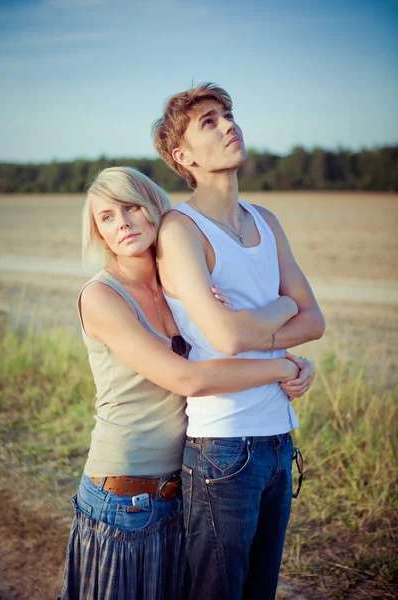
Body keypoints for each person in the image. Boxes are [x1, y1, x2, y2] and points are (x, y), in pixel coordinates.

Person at [59, 166, 312, 600]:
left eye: (132, 206)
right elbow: (189, 377)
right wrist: (282, 365)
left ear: (157, 209)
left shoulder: (181, 287)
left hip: (184, 489)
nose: (121, 222)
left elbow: (231, 337)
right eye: (106, 217)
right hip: (125, 498)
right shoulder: (102, 297)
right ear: (99, 234)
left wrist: (285, 349)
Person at [152, 83, 325, 599]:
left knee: (260, 592)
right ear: (183, 156)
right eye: (210, 121)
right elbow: (227, 338)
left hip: (278, 439)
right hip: (224, 447)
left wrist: (264, 326)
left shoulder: (265, 221)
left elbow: (315, 320)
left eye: (228, 115)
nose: (230, 125)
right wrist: (281, 307)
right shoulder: (181, 230)